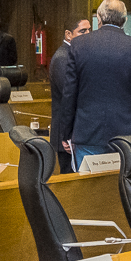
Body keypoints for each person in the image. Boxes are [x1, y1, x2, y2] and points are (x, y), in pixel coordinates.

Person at [54, 0, 131, 162]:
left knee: (89, 186)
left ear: (98, 18)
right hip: (127, 136)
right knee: (123, 186)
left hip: (87, 134)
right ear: (125, 21)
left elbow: (70, 93)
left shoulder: (78, 45)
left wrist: (66, 133)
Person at [48, 14, 92, 173]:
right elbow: (71, 97)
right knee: (72, 188)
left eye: (89, 30)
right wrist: (70, 135)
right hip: (68, 137)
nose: (88, 34)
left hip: (78, 134)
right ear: (68, 34)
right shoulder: (62, 58)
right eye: (82, 31)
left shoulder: (76, 55)